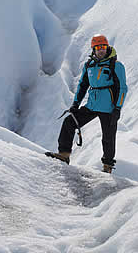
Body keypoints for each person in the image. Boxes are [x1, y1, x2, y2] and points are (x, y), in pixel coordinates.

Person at [47, 34, 127, 173]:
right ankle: (64, 155)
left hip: (109, 108)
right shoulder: (89, 65)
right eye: (98, 47)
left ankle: (107, 167)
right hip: (92, 105)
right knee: (69, 122)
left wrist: (117, 108)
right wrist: (75, 104)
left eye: (103, 47)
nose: (101, 50)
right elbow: (83, 85)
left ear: (107, 47)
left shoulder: (116, 65)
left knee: (108, 137)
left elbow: (122, 88)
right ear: (93, 49)